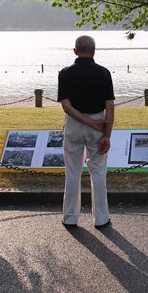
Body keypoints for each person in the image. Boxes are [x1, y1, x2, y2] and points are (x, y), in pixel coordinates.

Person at [57, 35, 114, 229]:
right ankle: (101, 217)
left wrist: (85, 121)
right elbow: (110, 107)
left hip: (73, 125)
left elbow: (66, 106)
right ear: (94, 50)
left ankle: (70, 216)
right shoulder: (104, 73)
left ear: (75, 51)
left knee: (72, 171)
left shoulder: (64, 73)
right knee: (98, 172)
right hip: (98, 123)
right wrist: (106, 134)